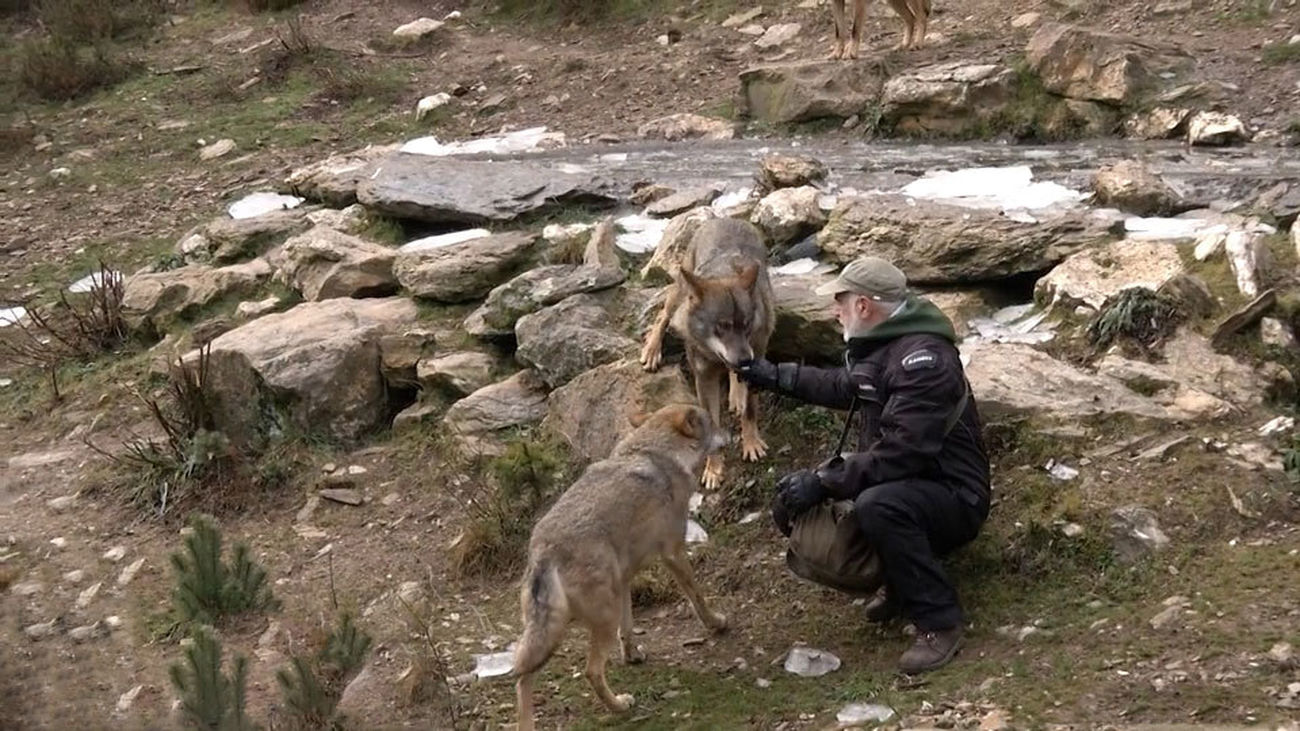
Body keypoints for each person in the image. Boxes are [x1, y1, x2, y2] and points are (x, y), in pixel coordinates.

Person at [734, 255, 991, 674]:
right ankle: (901, 581)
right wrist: (773, 375)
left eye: (840, 302)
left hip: (955, 496)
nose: (835, 311)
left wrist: (824, 482)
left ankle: (939, 621)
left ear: (863, 305)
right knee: (797, 503)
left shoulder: (923, 362)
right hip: (910, 482)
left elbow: (902, 453)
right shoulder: (887, 344)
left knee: (878, 506)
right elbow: (841, 385)